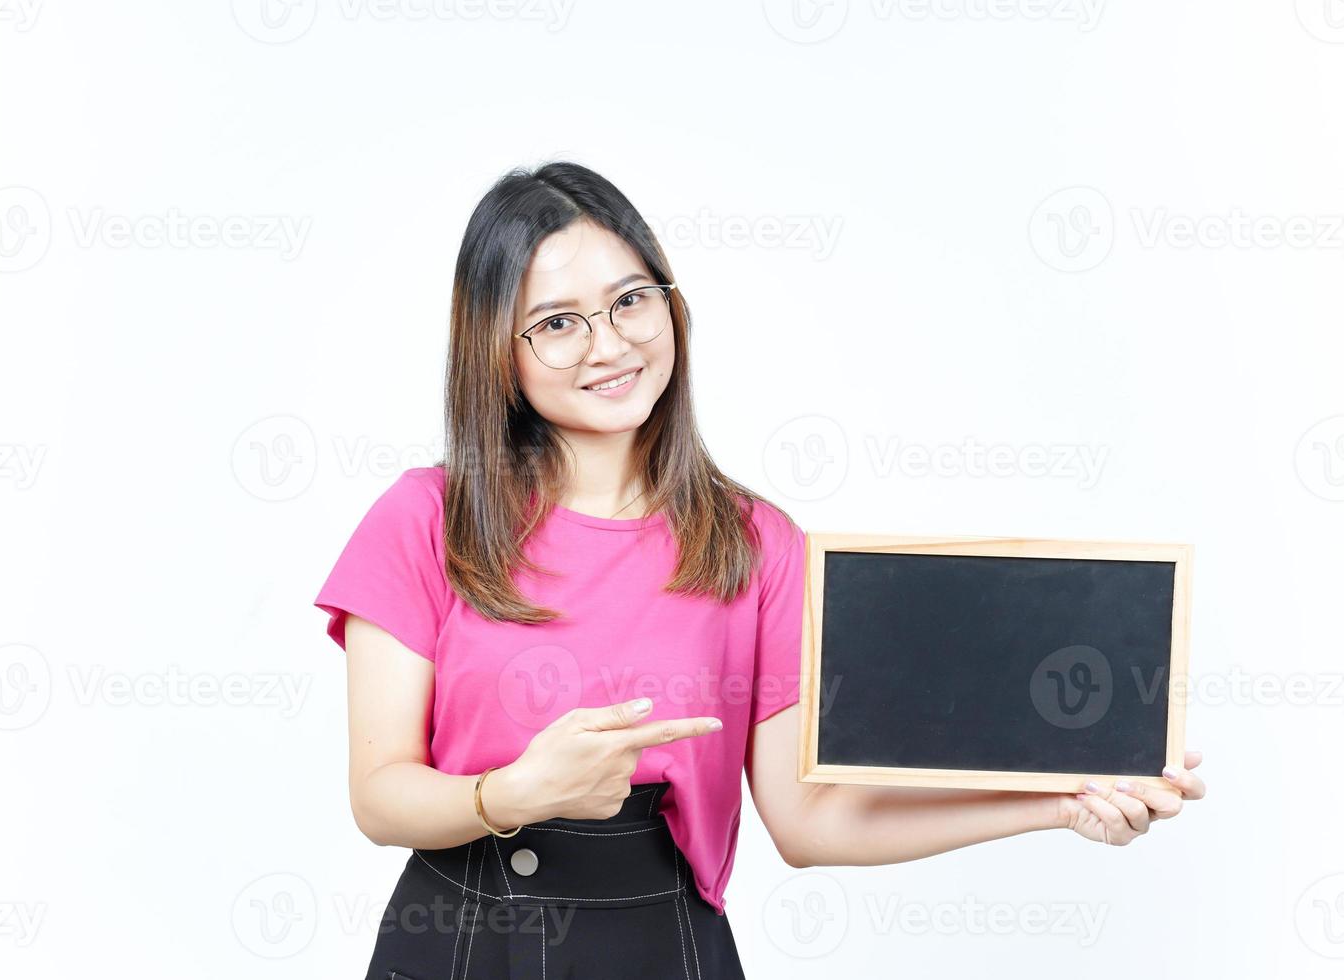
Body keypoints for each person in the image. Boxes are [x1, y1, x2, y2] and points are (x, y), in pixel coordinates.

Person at [313, 161, 1208, 979]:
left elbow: (811, 821)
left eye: (630, 300)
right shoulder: (426, 518)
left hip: (663, 945)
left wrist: (1058, 800)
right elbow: (381, 795)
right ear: (497, 354)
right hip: (463, 939)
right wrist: (514, 791)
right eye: (556, 324)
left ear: (671, 304)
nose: (608, 344)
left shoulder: (754, 542)